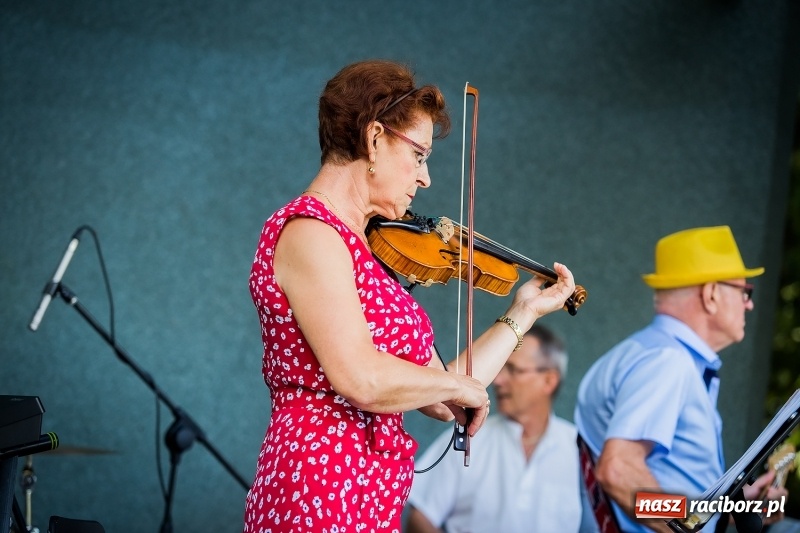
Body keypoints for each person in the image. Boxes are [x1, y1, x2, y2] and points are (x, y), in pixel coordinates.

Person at [242, 59, 577, 533]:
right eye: (419, 155)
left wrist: (523, 311)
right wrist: (458, 388)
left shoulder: (362, 247)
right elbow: (360, 378)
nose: (426, 178)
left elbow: (449, 396)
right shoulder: (311, 232)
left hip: (369, 493)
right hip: (317, 484)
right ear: (374, 139)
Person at [574, 225, 787, 532]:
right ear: (711, 293)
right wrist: (687, 525)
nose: (749, 304)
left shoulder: (641, 351)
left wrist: (731, 507)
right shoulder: (668, 361)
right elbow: (618, 472)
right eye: (745, 291)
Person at [405, 324, 584, 533]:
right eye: (500, 369)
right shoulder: (469, 436)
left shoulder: (579, 448)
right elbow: (420, 516)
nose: (498, 381)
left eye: (514, 370)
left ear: (548, 380)